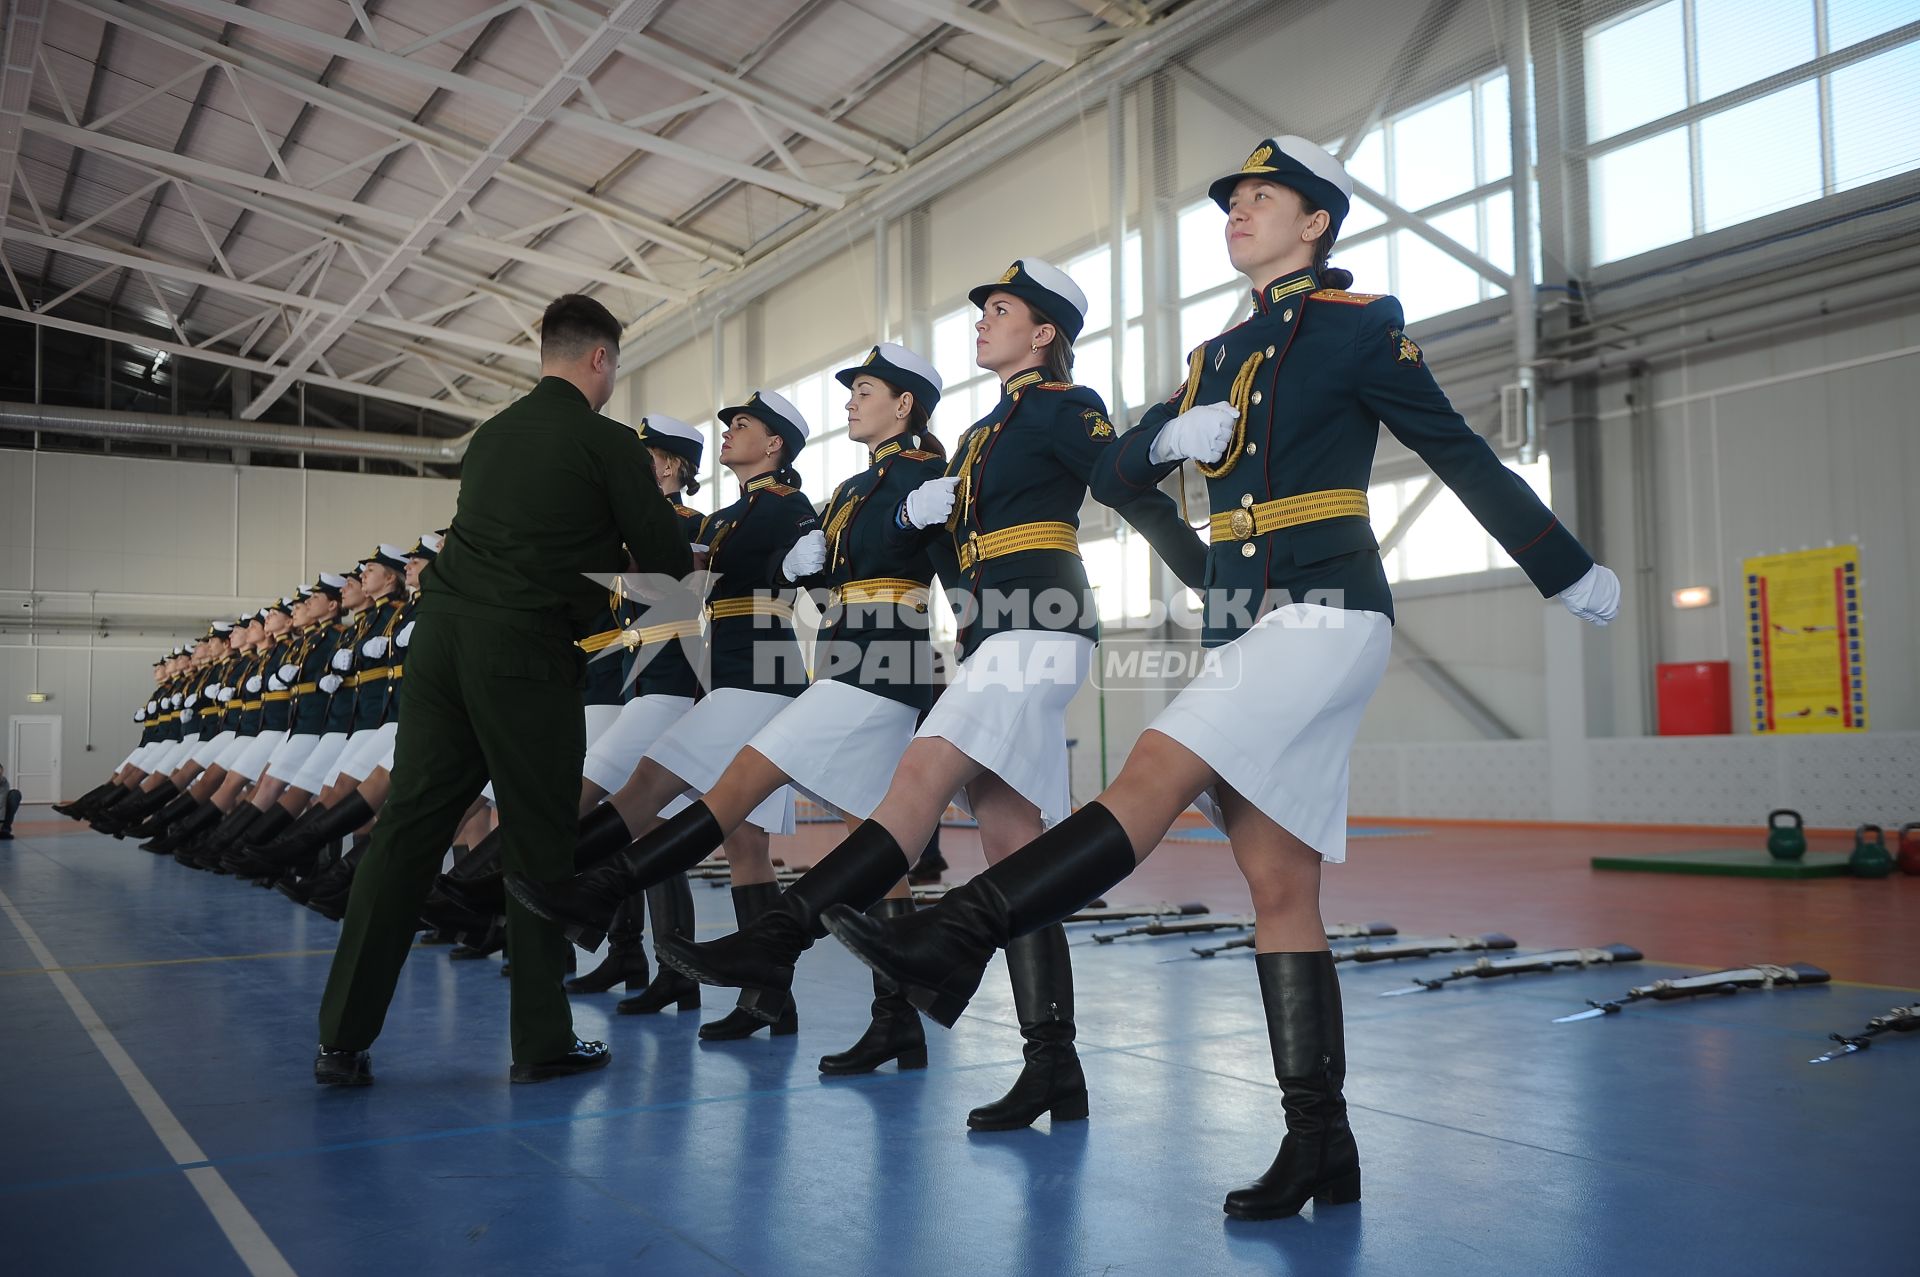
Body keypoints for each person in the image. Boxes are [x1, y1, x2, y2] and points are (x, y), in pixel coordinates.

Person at [825, 136, 1622, 1218]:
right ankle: (1321, 1143)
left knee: (1154, 763)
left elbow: (1459, 451)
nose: (1238, 211)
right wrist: (1166, 445)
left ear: (1316, 224)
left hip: (1332, 611)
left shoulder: (1360, 326)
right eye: (1233, 200)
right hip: (1249, 624)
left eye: (1262, 198)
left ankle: (957, 932)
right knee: (1280, 886)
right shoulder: (1210, 358)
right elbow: (1116, 475)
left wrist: (1561, 566)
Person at [615, 259, 1202, 1129]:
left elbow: (1118, 481)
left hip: (1044, 627)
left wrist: (1205, 571)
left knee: (919, 782)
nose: (983, 322)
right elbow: (951, 569)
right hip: (996, 636)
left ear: (1043, 332)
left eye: (1000, 310)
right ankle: (1054, 1065)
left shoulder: (1062, 406)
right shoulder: (977, 439)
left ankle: (779, 937)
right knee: (1014, 851)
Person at [509, 342, 950, 1073]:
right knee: (871, 839)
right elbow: (824, 592)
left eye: (865, 389)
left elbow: (945, 574)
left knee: (747, 795)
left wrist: (962, 650)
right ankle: (876, 1013)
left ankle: (606, 900)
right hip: (831, 663)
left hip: (864, 667)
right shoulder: (840, 493)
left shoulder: (893, 483)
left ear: (903, 404)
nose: (851, 399)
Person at [313, 293, 692, 1087]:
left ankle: (341, 1037)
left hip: (440, 645)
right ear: (601, 360)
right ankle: (541, 1040)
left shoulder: (491, 438)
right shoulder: (606, 442)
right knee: (537, 834)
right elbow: (666, 574)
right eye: (614, 365)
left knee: (409, 827)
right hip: (522, 649)